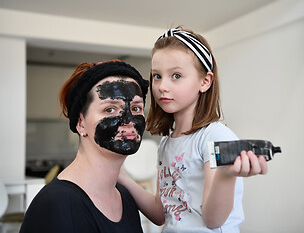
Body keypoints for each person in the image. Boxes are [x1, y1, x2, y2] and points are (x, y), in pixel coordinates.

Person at [118, 27, 268, 232]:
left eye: (176, 75)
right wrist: (121, 177)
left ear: (205, 81)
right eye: (157, 76)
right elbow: (161, 214)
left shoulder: (215, 137)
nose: (162, 86)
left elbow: (214, 220)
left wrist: (226, 175)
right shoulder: (165, 144)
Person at [20, 60, 149, 233]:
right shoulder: (60, 204)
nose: (129, 120)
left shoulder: (125, 196)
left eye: (136, 108)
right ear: (81, 123)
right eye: (110, 109)